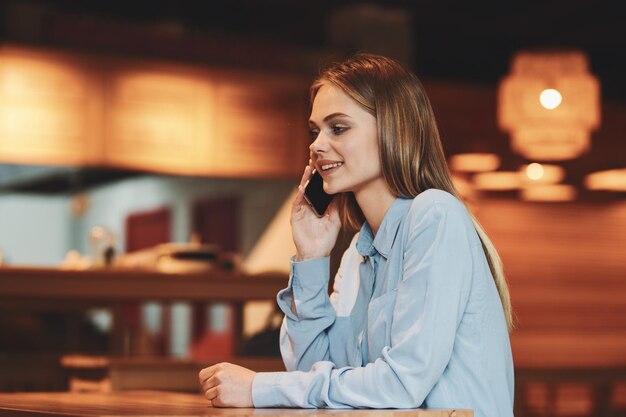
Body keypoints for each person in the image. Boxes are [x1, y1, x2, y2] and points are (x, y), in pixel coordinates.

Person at [199, 53, 514, 416]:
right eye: (315, 131)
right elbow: (310, 372)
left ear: (394, 129)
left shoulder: (436, 215)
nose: (317, 146)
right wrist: (311, 258)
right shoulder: (357, 253)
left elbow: (402, 383)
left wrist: (260, 386)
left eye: (339, 127)